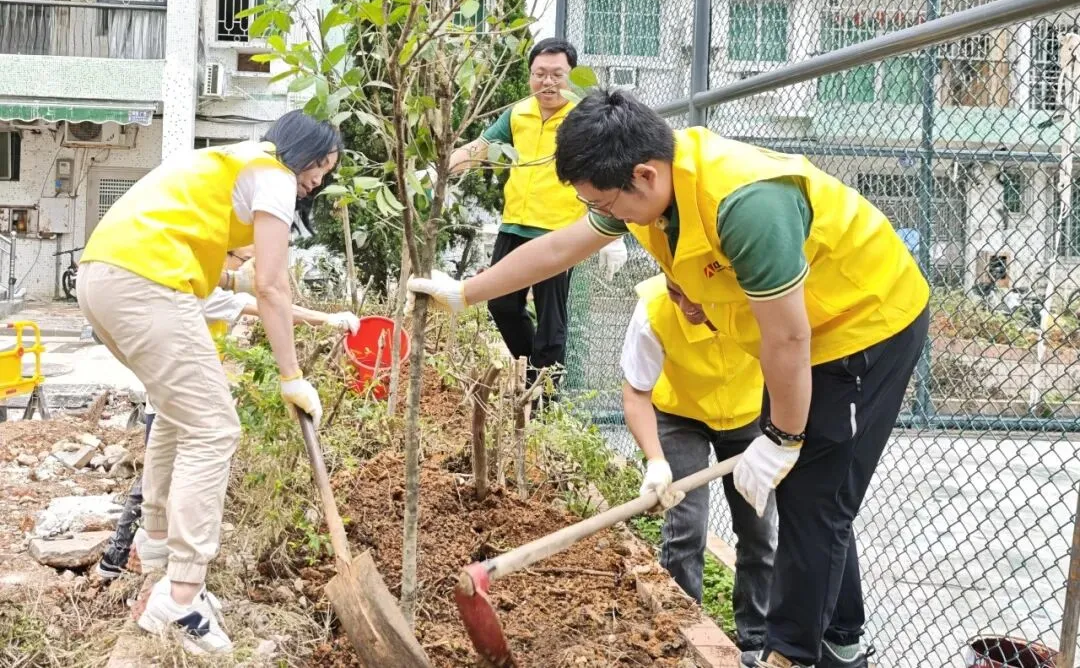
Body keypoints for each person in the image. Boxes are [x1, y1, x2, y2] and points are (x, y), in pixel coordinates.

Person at [408, 89, 931, 668]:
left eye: (605, 201)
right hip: (800, 328)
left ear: (644, 175)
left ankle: (792, 656)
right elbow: (558, 248)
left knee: (815, 489)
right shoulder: (645, 187)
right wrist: (466, 292)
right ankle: (844, 631)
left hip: (864, 322)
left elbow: (789, 339)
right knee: (813, 486)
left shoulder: (746, 204)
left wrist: (783, 436)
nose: (606, 215)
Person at [77, 110, 342, 655]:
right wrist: (292, 377)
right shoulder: (271, 173)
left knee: (180, 417)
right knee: (215, 429)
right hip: (142, 280)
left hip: (103, 276)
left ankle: (159, 568)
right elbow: (271, 286)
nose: (317, 180)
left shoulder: (226, 170)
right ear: (298, 150)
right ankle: (182, 599)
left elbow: (241, 284)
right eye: (318, 166)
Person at [96, 246, 360, 583]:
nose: (244, 268)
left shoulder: (209, 291)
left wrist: (326, 318)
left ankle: (156, 561)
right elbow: (262, 307)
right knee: (154, 483)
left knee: (165, 479)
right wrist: (326, 319)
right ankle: (122, 559)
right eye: (239, 261)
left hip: (185, 397)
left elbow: (258, 304)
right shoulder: (198, 296)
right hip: (170, 402)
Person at [448, 37, 627, 390]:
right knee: (500, 303)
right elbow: (480, 149)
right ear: (530, 76)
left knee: (551, 322)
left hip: (560, 232)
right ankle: (535, 377)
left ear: (572, 76)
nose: (548, 82)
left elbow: (606, 170)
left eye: (557, 74)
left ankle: (545, 400)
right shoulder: (518, 113)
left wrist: (610, 234)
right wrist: (438, 170)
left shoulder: (583, 117)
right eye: (539, 74)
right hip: (515, 223)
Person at [624, 273, 775, 660]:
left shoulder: (756, 295)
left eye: (697, 296)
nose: (688, 307)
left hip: (749, 418)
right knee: (687, 526)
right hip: (680, 417)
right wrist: (656, 461)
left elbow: (794, 357)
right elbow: (637, 393)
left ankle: (756, 640)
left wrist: (781, 435)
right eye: (677, 292)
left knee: (758, 532)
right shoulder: (654, 309)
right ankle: (681, 631)